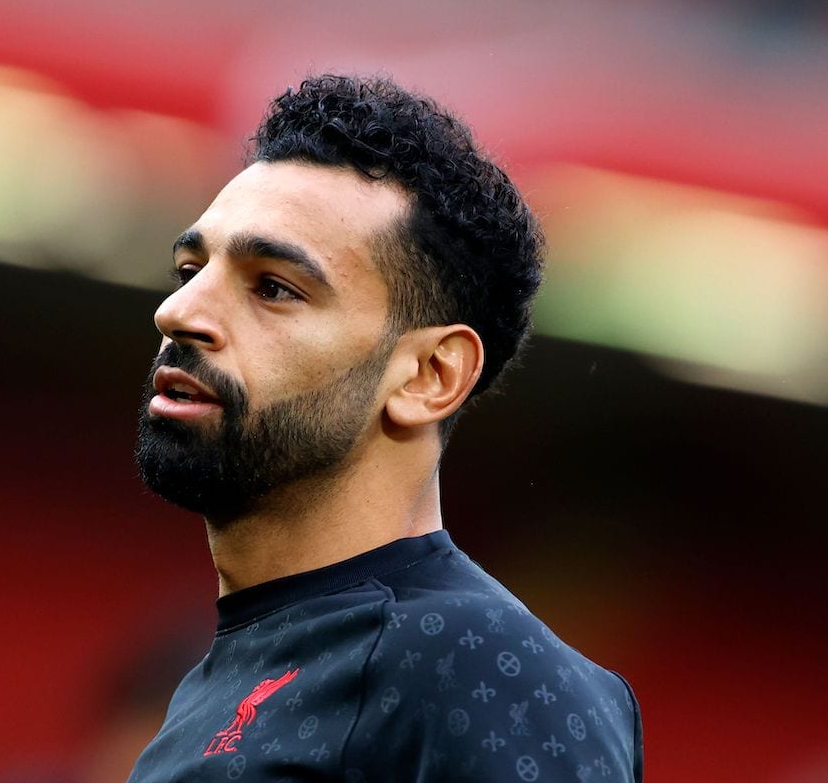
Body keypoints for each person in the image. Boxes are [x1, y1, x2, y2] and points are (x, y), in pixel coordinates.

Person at [128, 74, 643, 782]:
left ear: (429, 375)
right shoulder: (216, 682)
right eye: (191, 267)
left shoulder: (477, 660)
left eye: (274, 287)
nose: (179, 311)